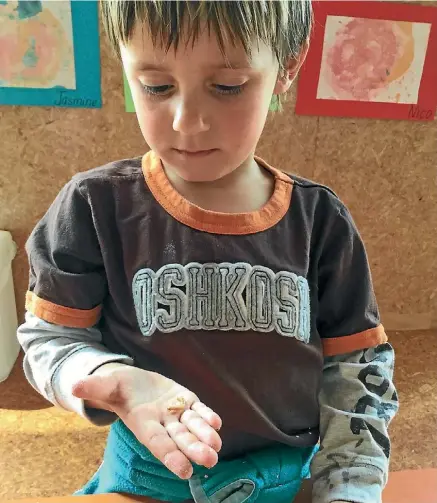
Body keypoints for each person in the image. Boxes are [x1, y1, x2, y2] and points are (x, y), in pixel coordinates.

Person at [17, 1, 399, 502]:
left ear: (287, 65)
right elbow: (50, 341)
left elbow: (357, 373)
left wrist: (349, 490)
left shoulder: (320, 223)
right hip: (149, 482)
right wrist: (114, 381)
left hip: (288, 484)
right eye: (156, 86)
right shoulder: (94, 207)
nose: (187, 121)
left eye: (228, 86)